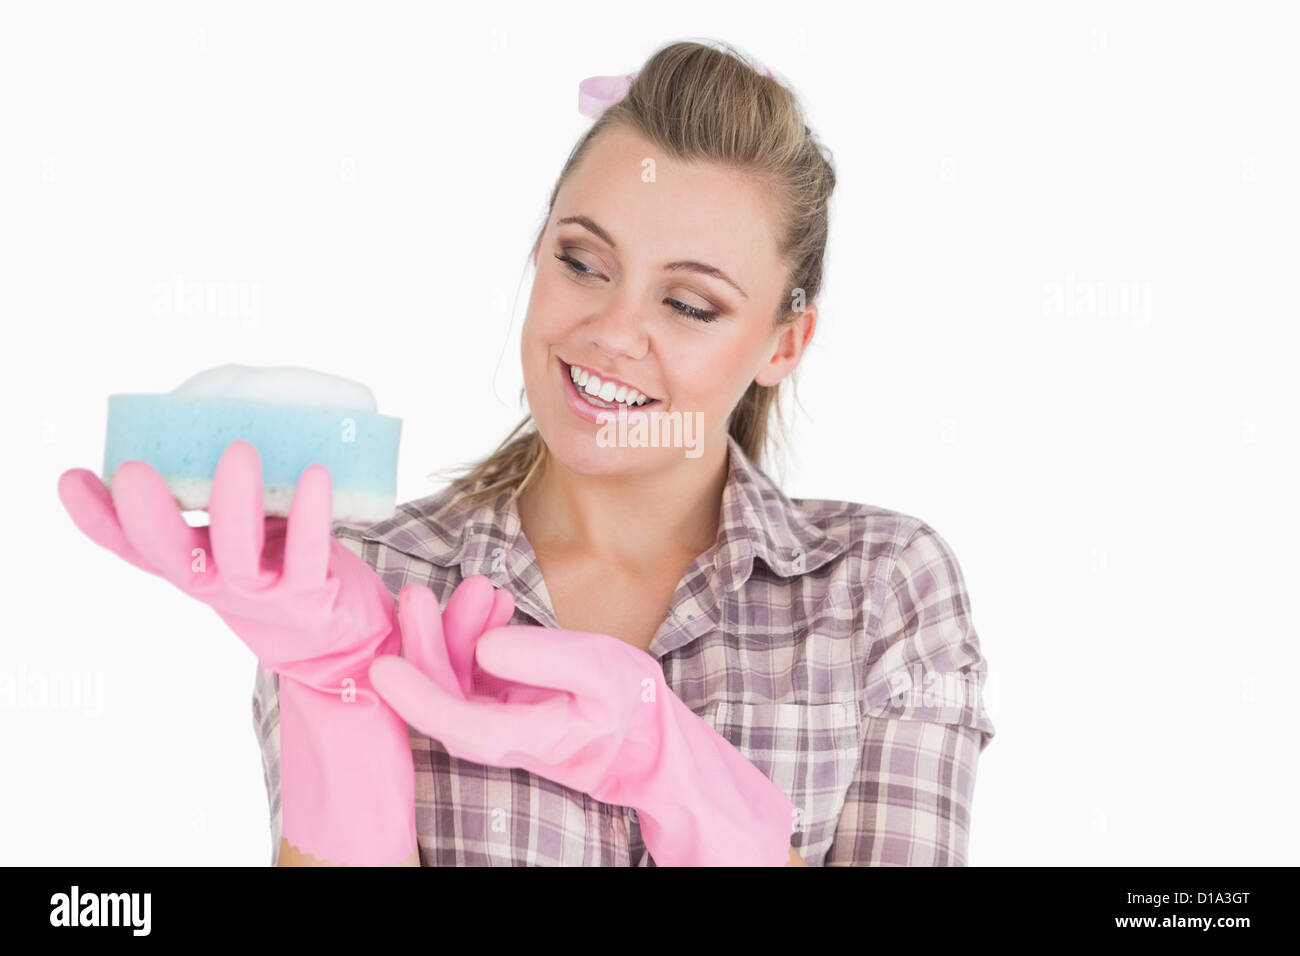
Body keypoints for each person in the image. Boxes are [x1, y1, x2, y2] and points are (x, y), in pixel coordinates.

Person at [251, 39, 996, 866]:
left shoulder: (878, 594)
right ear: (538, 254)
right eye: (582, 261)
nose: (610, 333)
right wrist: (346, 744)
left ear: (785, 344)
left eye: (687, 303)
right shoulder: (364, 585)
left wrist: (689, 787)